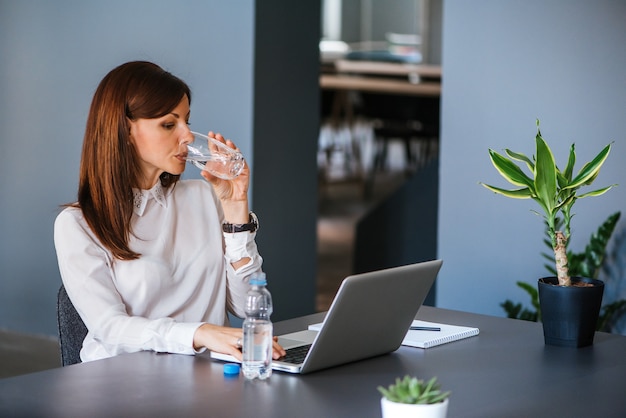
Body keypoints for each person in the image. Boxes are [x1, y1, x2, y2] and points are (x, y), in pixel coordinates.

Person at [54, 61, 285, 363]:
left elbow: (244, 306)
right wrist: (199, 333)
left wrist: (236, 208)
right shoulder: (77, 225)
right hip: (119, 386)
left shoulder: (205, 197)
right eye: (169, 124)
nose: (188, 136)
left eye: (187, 121)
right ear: (124, 130)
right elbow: (109, 327)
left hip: (206, 378)